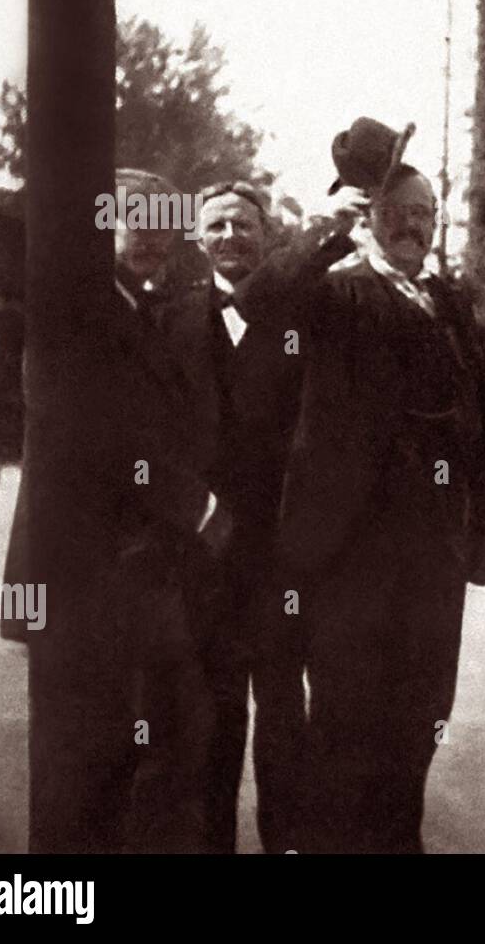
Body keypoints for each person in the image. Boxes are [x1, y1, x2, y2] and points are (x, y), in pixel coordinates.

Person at [237, 117, 485, 852]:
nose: (413, 227)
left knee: (421, 721)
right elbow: (258, 301)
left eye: (425, 214)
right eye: (396, 214)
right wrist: (328, 227)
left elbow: (481, 421)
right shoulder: (334, 295)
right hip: (347, 560)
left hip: (436, 559)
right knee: (345, 731)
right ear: (368, 220)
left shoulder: (450, 303)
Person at [4, 168, 228, 852]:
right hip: (78, 579)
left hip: (129, 578)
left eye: (165, 222)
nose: (153, 237)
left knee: (138, 754)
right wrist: (197, 507)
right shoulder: (74, 309)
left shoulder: (135, 308)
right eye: (137, 219)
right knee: (77, 773)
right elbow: (98, 434)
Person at [162, 180, 307, 852]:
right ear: (197, 239)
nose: (229, 236)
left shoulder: (303, 317)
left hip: (283, 552)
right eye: (216, 225)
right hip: (204, 555)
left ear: (266, 234)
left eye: (243, 224)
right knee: (212, 720)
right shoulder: (170, 319)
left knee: (282, 715)